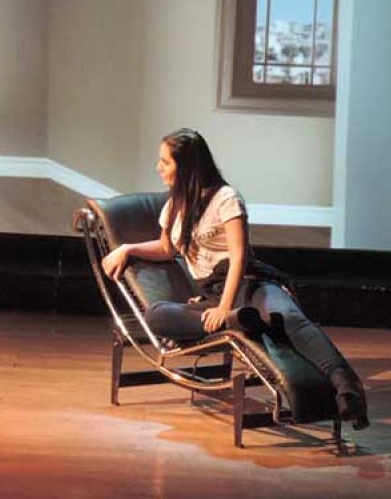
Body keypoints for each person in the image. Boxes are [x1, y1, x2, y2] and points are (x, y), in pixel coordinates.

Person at [101, 128, 369, 430]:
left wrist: (223, 308)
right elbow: (166, 248)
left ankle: (347, 387)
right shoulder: (174, 207)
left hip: (249, 284)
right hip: (213, 294)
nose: (158, 167)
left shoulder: (225, 198)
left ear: (186, 166)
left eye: (165, 162)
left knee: (290, 318)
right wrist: (127, 248)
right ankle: (237, 321)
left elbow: (239, 257)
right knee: (156, 316)